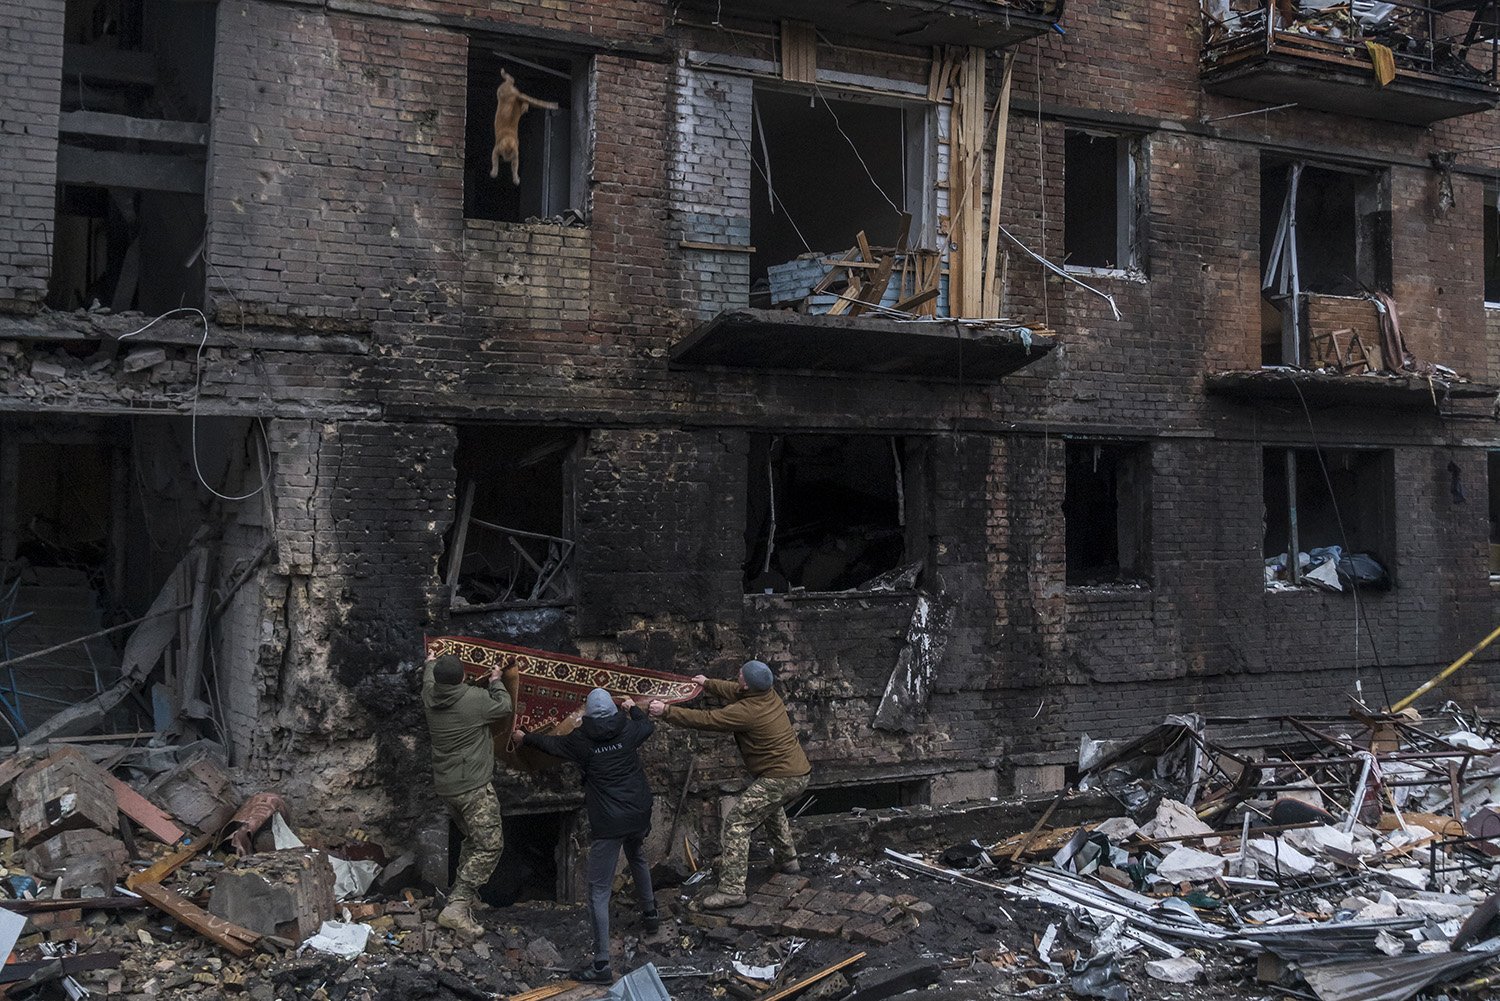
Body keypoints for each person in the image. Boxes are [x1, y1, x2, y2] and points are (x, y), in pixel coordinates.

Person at [515, 688, 659, 983]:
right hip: (639, 811)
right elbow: (648, 725)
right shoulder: (629, 729)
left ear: (589, 715)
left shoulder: (581, 741)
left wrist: (524, 738)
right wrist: (632, 707)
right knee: (637, 856)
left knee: (598, 891)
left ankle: (601, 964)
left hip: (608, 822)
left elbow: (551, 744)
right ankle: (651, 914)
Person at [648, 659, 810, 910]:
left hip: (781, 777)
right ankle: (787, 860)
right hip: (796, 772)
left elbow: (708, 719)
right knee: (769, 808)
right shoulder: (767, 693)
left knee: (737, 823)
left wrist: (666, 711)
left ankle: (732, 890)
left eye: (740, 676)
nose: (737, 677)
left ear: (747, 685)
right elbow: (734, 690)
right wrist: (707, 684)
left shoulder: (746, 712)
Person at [422, 652, 512, 939]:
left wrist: (430, 662)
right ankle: (458, 905)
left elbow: (428, 675)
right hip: (473, 787)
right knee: (489, 845)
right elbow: (504, 706)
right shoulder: (474, 699)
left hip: (448, 787)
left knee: (473, 839)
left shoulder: (429, 695)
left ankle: (463, 898)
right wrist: (497, 681)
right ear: (462, 677)